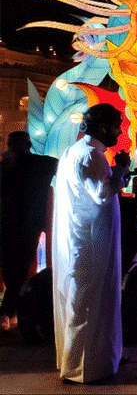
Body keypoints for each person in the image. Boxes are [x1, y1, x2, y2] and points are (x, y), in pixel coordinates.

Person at [51, 103, 123, 383]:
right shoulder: (91, 154)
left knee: (83, 300)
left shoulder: (76, 150)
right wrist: (122, 170)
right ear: (104, 128)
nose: (119, 131)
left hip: (84, 239)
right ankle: (84, 369)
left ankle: (91, 360)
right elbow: (102, 194)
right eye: (117, 126)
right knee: (88, 302)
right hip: (90, 242)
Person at [1, 131, 57, 331]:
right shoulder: (43, 164)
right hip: (28, 225)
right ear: (29, 144)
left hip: (8, 225)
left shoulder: (5, 166)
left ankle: (8, 311)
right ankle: (9, 310)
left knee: (12, 270)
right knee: (19, 269)